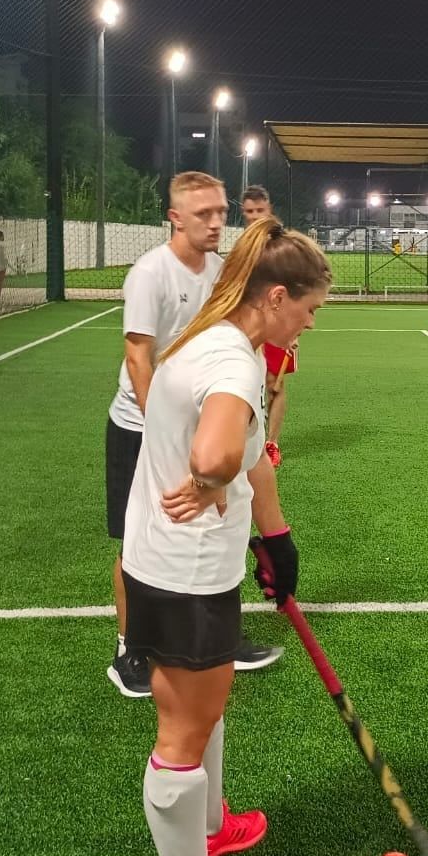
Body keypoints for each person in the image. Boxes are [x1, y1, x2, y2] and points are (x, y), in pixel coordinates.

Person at [124, 215, 331, 856]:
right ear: (275, 296)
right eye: (307, 309)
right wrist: (211, 481)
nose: (308, 323)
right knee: (182, 729)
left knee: (204, 709)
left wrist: (274, 539)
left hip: (173, 562)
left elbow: (243, 460)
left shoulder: (214, 340)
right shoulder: (235, 363)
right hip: (184, 572)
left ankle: (211, 828)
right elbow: (217, 452)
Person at [107, 172, 283, 700]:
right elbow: (138, 357)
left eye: (221, 211)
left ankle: (217, 635)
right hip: (142, 426)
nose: (216, 221)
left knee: (210, 521)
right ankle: (129, 649)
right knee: (136, 534)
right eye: (203, 213)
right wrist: (163, 428)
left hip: (197, 420)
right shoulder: (150, 274)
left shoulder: (222, 273)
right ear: (174, 217)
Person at [239, 186, 295, 468]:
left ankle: (271, 443)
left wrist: (292, 329)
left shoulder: (282, 245)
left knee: (275, 384)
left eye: (259, 211)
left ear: (269, 209)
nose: (254, 216)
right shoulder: (243, 246)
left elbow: (295, 289)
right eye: (249, 211)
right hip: (249, 324)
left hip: (277, 323)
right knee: (248, 380)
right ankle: (248, 439)